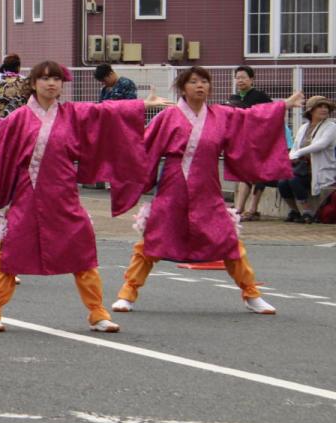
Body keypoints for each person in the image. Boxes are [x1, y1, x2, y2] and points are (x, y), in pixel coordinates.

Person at [0, 60, 153, 333]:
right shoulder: (19, 118)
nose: (51, 84)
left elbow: (105, 113)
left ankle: (97, 312)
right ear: (33, 83)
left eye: (57, 79)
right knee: (12, 256)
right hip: (27, 197)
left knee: (82, 253)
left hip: (64, 195)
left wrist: (140, 106)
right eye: (45, 79)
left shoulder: (73, 114)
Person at [112, 68, 302, 315]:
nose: (199, 86)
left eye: (204, 81)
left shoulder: (221, 115)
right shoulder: (168, 117)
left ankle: (251, 293)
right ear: (183, 88)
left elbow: (251, 118)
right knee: (153, 239)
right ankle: (128, 292)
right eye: (193, 81)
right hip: (173, 185)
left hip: (207, 186)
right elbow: (142, 146)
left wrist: (282, 105)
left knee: (228, 239)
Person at [278, 96, 336, 224]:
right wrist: (292, 156)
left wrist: (298, 153)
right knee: (282, 182)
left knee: (293, 179)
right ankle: (295, 211)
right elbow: (294, 146)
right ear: (311, 110)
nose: (324, 109)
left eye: (326, 107)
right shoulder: (304, 127)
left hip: (319, 171)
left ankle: (307, 211)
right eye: (320, 106)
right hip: (302, 168)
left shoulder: (331, 127)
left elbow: (321, 144)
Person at [228, 66, 275, 221]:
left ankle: (252, 208)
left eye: (243, 77)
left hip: (259, 141)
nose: (240, 80)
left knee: (258, 175)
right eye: (238, 77)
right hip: (241, 141)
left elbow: (272, 115)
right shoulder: (233, 98)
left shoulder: (260, 96)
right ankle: (240, 208)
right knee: (244, 174)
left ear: (251, 79)